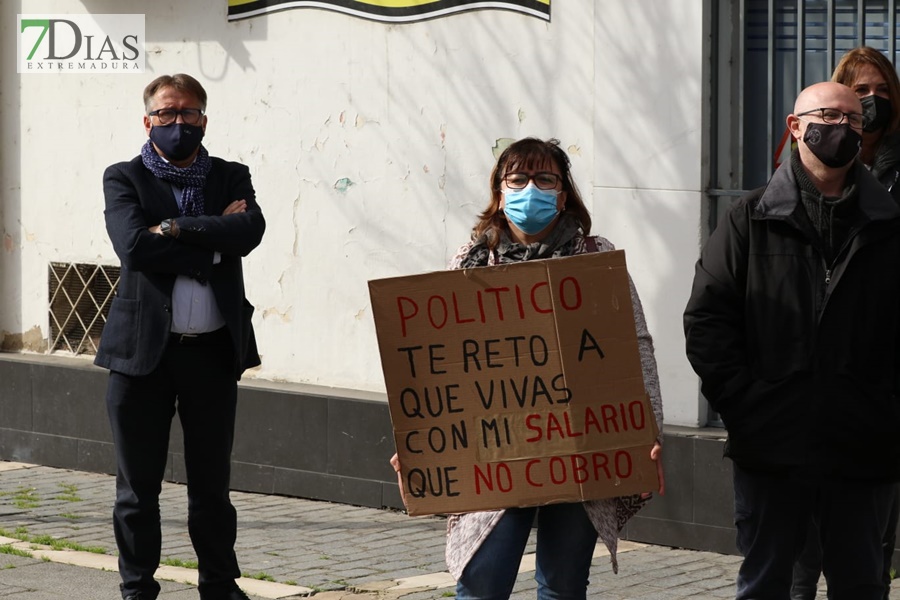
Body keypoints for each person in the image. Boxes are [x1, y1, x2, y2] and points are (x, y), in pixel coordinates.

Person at [390, 137, 665, 600]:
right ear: (499, 192)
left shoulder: (595, 259)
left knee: (562, 584)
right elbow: (437, 361)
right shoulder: (470, 264)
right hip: (495, 448)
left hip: (580, 445)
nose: (529, 189)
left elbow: (633, 344)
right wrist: (418, 440)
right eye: (517, 179)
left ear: (562, 193)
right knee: (482, 583)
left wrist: (648, 432)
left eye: (544, 179)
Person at [683, 81, 900, 600]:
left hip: (864, 451)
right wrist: (750, 409)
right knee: (766, 585)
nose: (843, 128)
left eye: (853, 120)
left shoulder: (891, 227)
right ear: (796, 126)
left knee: (862, 585)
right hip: (771, 452)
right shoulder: (749, 219)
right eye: (829, 115)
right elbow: (708, 323)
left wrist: (887, 412)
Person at [95, 73, 265, 600]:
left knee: (212, 488)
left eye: (188, 113)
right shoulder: (123, 177)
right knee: (136, 491)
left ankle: (219, 585)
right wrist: (214, 239)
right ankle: (138, 587)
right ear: (147, 121)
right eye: (166, 114)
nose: (178, 123)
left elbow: (250, 232)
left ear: (204, 120)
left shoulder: (231, 175)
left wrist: (167, 227)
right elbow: (133, 247)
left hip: (212, 354)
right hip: (141, 355)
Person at [790, 47, 900, 600]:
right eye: (857, 94)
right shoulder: (780, 195)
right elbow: (718, 317)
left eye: (879, 92)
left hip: (871, 410)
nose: (869, 103)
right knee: (794, 559)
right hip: (797, 407)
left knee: (865, 563)